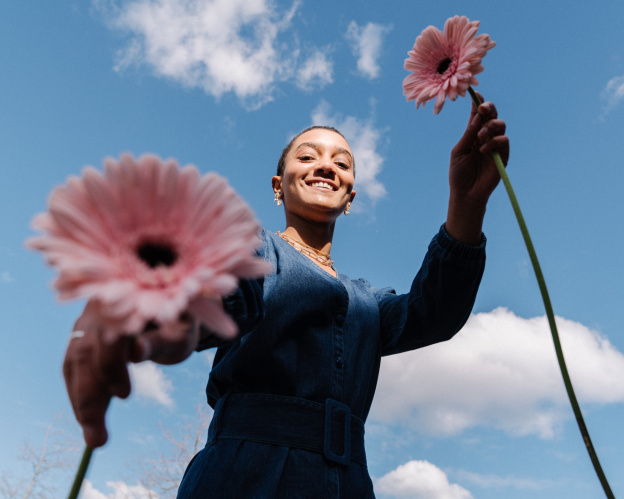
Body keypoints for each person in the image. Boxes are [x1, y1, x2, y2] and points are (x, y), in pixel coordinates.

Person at [63, 97, 509, 498]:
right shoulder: (254, 248)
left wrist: (466, 206)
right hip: (246, 474)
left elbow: (433, 313)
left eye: (343, 162)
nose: (326, 166)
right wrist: (137, 310)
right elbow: (217, 285)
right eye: (308, 156)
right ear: (279, 185)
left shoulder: (367, 302)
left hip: (351, 483)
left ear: (350, 196)